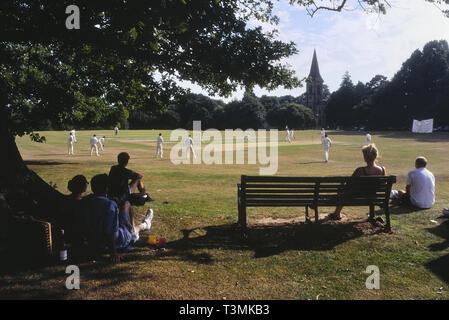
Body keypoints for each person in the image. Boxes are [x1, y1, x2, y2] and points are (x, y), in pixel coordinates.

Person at [83, 174, 154, 263]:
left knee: (124, 206)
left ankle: (138, 227)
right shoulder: (109, 205)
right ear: (107, 188)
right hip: (117, 242)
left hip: (96, 241)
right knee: (127, 204)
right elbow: (111, 231)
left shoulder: (87, 202)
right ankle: (144, 225)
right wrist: (114, 253)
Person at [327, 144, 386, 220]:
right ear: (376, 156)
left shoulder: (360, 170)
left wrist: (342, 185)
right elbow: (383, 185)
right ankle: (372, 214)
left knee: (342, 189)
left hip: (359, 197)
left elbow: (349, 184)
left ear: (365, 157)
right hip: (373, 197)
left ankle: (337, 213)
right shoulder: (382, 170)